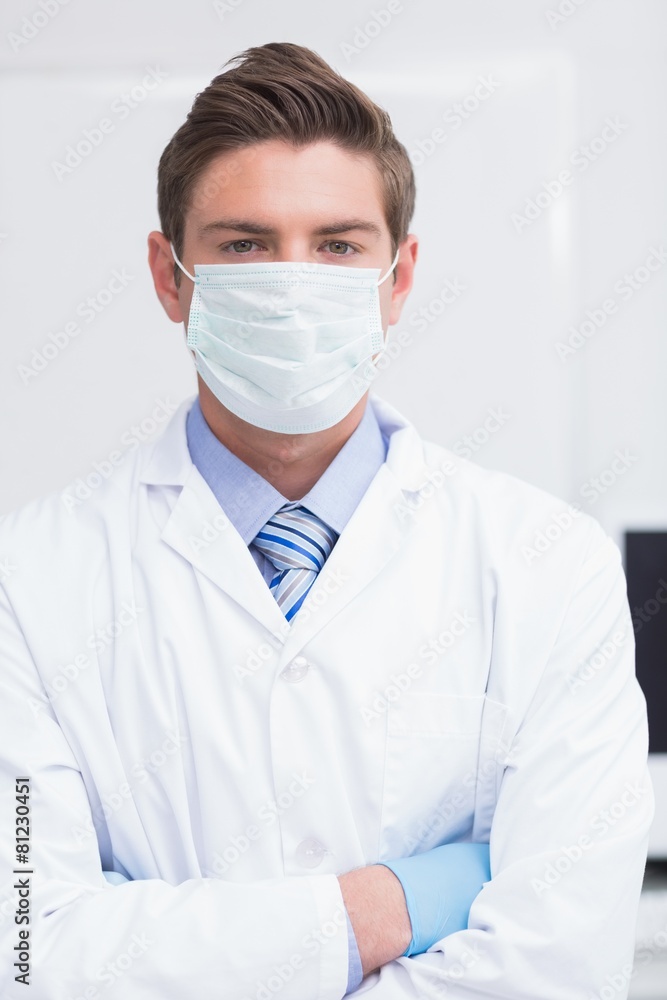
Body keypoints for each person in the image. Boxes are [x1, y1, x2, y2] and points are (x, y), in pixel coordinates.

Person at [0, 41, 653, 1000]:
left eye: (338, 246)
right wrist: (390, 906)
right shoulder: (31, 576)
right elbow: (26, 951)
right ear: (170, 276)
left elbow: (557, 965)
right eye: (244, 245)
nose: (291, 283)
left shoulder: (548, 566)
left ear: (398, 278)